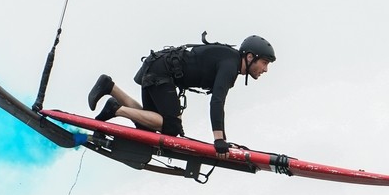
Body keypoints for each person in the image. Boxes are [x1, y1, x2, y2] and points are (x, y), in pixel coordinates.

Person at [87, 35, 276, 159]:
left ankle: (111, 89)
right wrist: (219, 139)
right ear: (250, 57)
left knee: (148, 125)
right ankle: (116, 109)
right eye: (264, 63)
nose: (265, 69)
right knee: (171, 127)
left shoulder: (229, 59)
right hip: (162, 71)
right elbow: (217, 101)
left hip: (157, 66)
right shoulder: (230, 65)